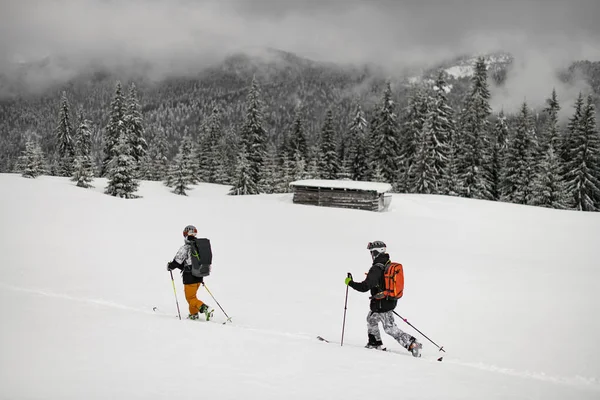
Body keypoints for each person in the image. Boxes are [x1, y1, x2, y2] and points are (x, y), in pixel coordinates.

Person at [344, 240, 422, 357]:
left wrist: (350, 283)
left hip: (382, 303)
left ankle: (412, 343)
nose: (371, 255)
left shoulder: (377, 268)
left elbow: (365, 287)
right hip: (387, 301)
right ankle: (374, 343)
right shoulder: (387, 264)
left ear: (376, 252)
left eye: (372, 252)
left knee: (389, 328)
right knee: (371, 319)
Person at [167, 225, 214, 321]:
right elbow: (185, 264)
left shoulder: (186, 247)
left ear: (185, 234)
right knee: (193, 297)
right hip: (199, 276)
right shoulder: (198, 247)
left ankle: (205, 308)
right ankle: (194, 314)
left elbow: (177, 261)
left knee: (190, 298)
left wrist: (170, 266)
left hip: (190, 277)